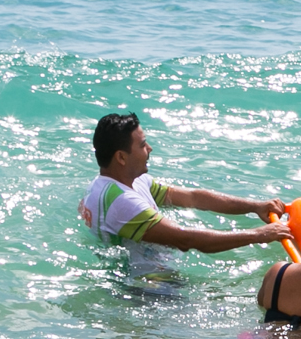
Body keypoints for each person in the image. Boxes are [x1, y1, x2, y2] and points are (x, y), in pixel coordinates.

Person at [80, 112, 289, 270]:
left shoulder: (125, 182)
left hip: (154, 274)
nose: (150, 148)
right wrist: (258, 235)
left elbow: (193, 198)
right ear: (121, 157)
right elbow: (184, 239)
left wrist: (256, 207)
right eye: (143, 145)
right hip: (143, 287)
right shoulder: (122, 202)